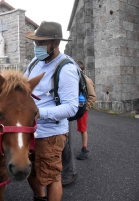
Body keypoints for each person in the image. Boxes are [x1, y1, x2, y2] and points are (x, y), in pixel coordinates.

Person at [24, 21, 80, 201]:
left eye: (41, 43)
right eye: (36, 43)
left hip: (51, 134)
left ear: (56, 44)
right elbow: (24, 87)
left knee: (51, 177)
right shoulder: (35, 62)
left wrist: (40, 113)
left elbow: (71, 107)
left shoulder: (66, 68)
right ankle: (39, 198)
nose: (37, 47)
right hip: (30, 131)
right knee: (31, 171)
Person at [75, 61, 96, 160]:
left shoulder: (87, 80)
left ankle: (84, 149)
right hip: (72, 108)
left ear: (82, 70)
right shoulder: (74, 79)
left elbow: (92, 96)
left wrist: (85, 109)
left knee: (82, 129)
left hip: (82, 108)